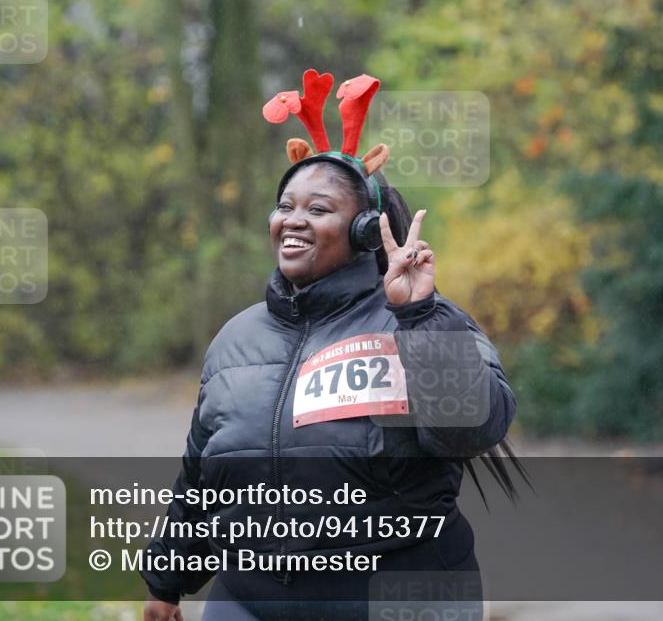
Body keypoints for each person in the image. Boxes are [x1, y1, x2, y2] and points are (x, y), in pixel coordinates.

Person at [141, 70, 526, 621]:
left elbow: (473, 426)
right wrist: (166, 581)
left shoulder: (422, 320)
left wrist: (417, 315)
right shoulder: (236, 338)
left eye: (318, 209)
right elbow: (203, 478)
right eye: (285, 206)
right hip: (251, 598)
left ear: (366, 230)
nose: (293, 220)